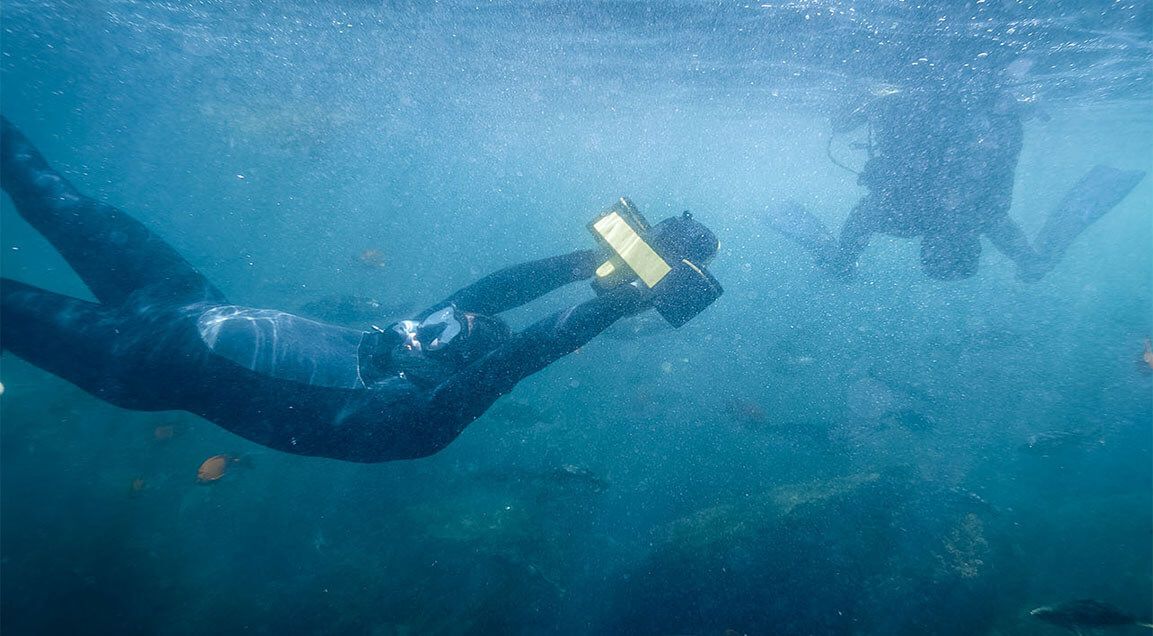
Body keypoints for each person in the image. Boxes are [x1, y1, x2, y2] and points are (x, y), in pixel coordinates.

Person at [0, 117, 719, 463]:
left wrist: (616, 305)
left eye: (473, 330)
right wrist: (585, 264)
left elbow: (524, 354)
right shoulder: (419, 343)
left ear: (466, 366)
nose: (464, 318)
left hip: (140, 359)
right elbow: (495, 292)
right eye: (467, 321)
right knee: (55, 197)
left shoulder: (421, 415)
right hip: (189, 303)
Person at [769, 77, 1144, 281]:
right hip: (936, 107)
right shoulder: (964, 220)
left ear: (974, 248)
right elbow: (863, 217)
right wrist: (844, 257)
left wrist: (844, 257)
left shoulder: (981, 220)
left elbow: (862, 217)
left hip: (945, 107)